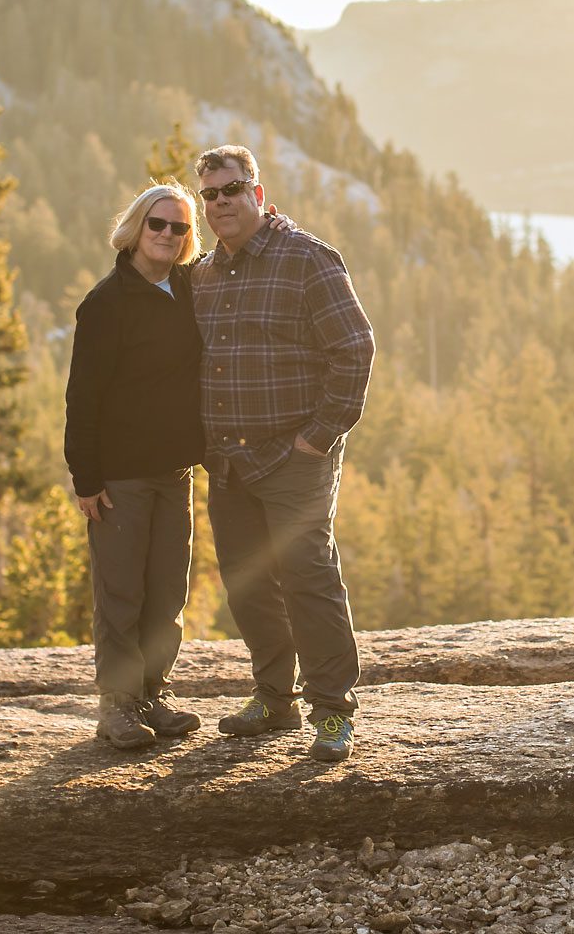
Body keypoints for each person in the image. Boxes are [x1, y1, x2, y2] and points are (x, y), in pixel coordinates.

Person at [191, 145, 376, 764]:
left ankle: (331, 711)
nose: (220, 203)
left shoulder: (308, 259)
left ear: (258, 195)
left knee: (308, 577)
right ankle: (274, 697)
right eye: (210, 194)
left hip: (294, 457)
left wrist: (320, 436)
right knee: (247, 587)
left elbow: (355, 348)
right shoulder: (206, 274)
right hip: (228, 463)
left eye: (232, 189)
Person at [63, 183, 208, 750]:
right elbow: (83, 396)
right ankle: (117, 707)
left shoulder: (190, 291)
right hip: (120, 475)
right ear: (135, 228)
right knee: (121, 592)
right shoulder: (106, 303)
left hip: (175, 472)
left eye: (178, 228)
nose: (168, 235)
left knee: (167, 592)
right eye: (158, 225)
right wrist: (86, 479)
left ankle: (153, 694)